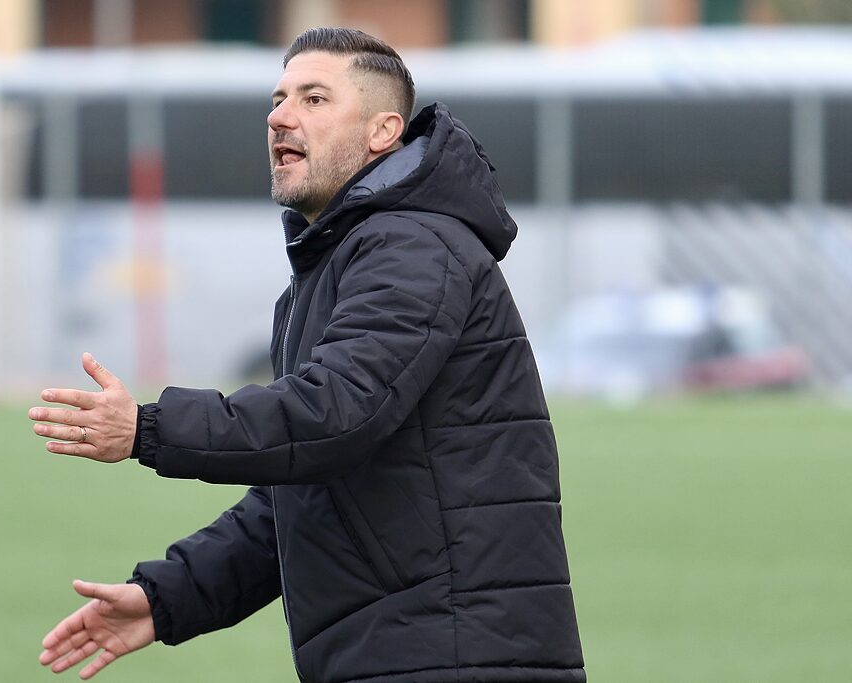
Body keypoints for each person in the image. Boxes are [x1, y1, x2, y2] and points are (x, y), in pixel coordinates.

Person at [30, 27, 585, 683]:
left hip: (454, 652)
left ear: (383, 132)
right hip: (409, 649)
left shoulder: (412, 246)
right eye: (278, 98)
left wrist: (149, 429)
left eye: (314, 99)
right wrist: (169, 596)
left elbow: (335, 413)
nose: (279, 117)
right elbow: (303, 497)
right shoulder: (335, 266)